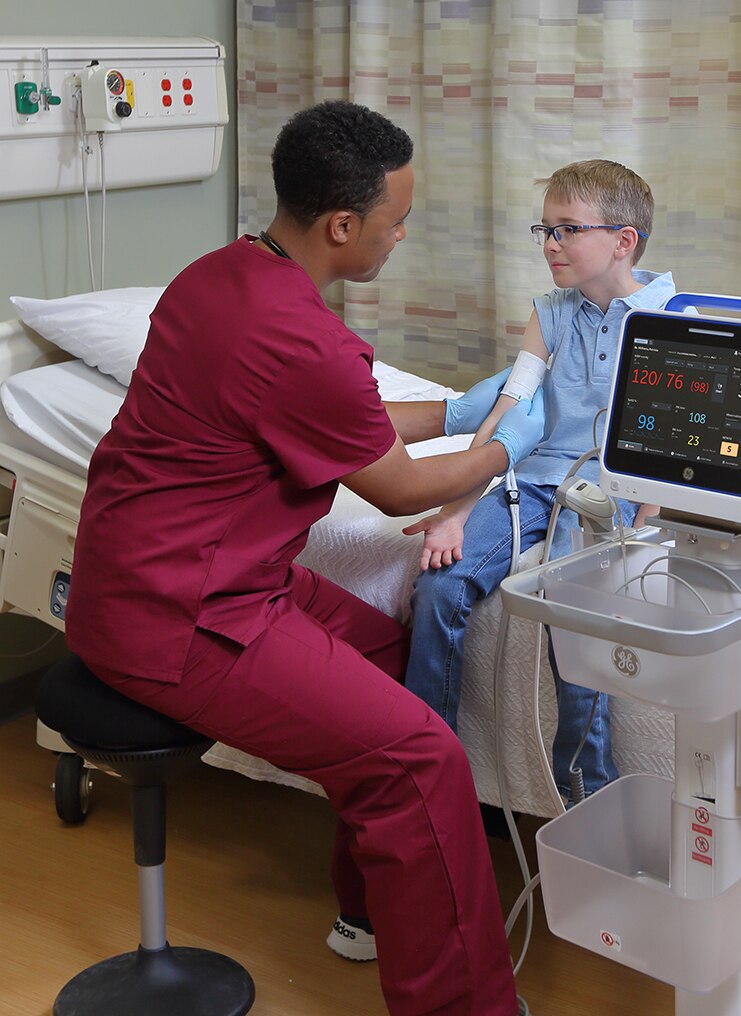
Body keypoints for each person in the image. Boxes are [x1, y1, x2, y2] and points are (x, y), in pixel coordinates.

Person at [64, 100, 541, 1016]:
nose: (402, 235)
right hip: (182, 620)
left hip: (163, 582)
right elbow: (398, 489)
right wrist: (512, 444)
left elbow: (336, 417)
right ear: (343, 226)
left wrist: (457, 412)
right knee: (420, 758)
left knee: (396, 661)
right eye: (397, 220)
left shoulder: (217, 278)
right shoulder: (300, 338)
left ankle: (374, 911)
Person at [403, 159, 674, 803]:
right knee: (439, 586)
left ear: (624, 240)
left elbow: (665, 438)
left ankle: (587, 791)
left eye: (568, 229)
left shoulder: (668, 314)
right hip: (534, 483)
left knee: (572, 616)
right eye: (545, 229)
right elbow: (508, 411)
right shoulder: (549, 314)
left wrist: (645, 526)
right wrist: (454, 513)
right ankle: (427, 771)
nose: (551, 244)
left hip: (609, 495)